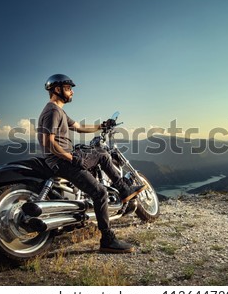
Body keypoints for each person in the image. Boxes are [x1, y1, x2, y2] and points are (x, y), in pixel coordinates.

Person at [37, 74, 146, 253]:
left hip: (64, 158)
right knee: (99, 191)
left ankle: (123, 190)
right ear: (57, 90)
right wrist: (72, 158)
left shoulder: (59, 111)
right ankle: (108, 240)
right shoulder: (52, 111)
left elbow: (79, 126)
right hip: (62, 161)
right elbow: (48, 141)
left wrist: (101, 126)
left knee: (101, 154)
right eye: (68, 88)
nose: (72, 91)